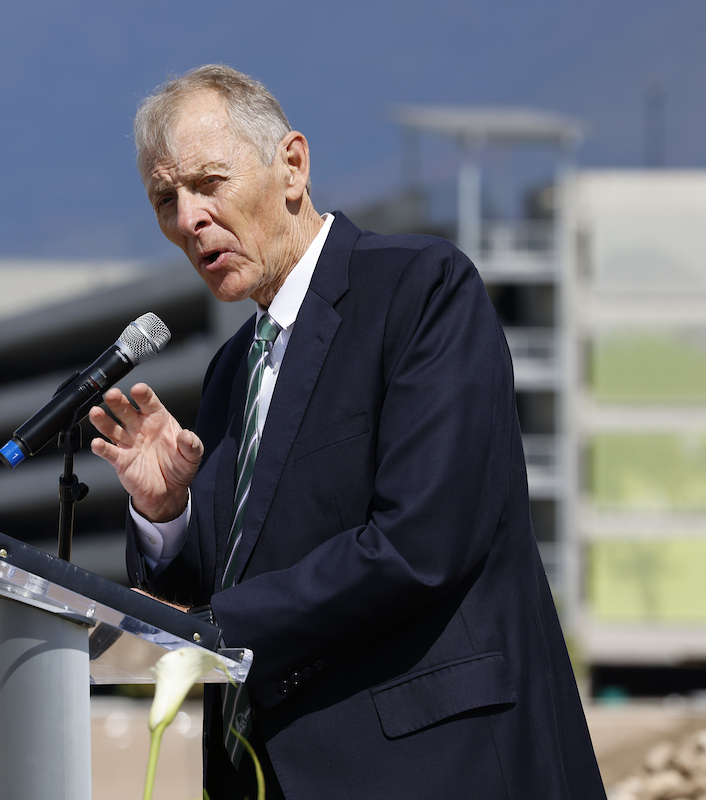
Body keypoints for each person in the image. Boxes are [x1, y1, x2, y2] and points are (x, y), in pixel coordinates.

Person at [87, 65, 606, 800]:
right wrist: (167, 517)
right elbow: (229, 585)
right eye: (166, 199)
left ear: (291, 166)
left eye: (208, 183)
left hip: (434, 768)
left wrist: (210, 625)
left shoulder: (421, 290)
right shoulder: (232, 369)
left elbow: (421, 543)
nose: (189, 218)